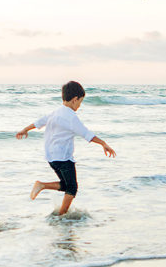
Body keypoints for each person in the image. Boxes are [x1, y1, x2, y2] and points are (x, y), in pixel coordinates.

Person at [16, 81, 115, 215]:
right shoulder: (71, 117)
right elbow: (86, 134)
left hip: (51, 157)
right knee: (72, 188)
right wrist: (103, 143)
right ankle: (61, 214)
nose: (80, 105)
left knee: (67, 185)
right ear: (75, 100)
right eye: (80, 102)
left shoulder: (55, 112)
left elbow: (38, 122)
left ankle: (43, 187)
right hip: (63, 158)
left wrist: (24, 129)